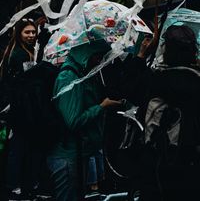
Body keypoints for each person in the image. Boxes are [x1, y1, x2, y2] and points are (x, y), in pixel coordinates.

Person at [120, 25, 200, 201]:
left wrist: (142, 55)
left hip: (155, 166)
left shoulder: (155, 80)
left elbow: (126, 89)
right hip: (191, 168)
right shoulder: (196, 81)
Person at [47, 38, 122, 201]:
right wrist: (101, 107)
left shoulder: (83, 74)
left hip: (80, 152)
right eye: (96, 56)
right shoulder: (69, 78)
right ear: (85, 54)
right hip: (67, 155)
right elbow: (73, 121)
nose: (99, 61)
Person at [0, 18, 43, 200]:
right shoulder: (20, 55)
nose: (31, 36)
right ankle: (16, 185)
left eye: (33, 32)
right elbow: (28, 80)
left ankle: (17, 184)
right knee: (20, 148)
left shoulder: (20, 52)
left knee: (19, 147)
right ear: (19, 34)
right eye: (27, 32)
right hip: (22, 110)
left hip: (20, 108)